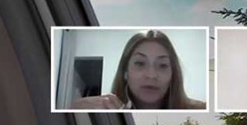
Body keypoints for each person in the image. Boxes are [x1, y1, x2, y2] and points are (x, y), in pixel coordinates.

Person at [70, 30, 206, 110]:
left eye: (162, 65)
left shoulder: (200, 109)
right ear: (125, 72)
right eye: (140, 63)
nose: (151, 75)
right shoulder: (102, 109)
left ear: (173, 74)